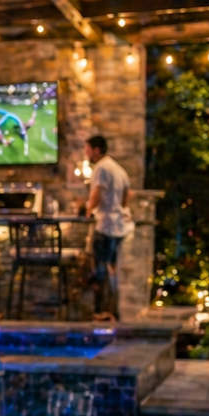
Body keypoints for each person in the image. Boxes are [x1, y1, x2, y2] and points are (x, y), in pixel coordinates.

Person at [81, 134, 132, 323]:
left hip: (105, 225)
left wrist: (88, 210)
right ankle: (113, 312)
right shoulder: (118, 168)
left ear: (96, 150)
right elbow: (127, 194)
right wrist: (121, 209)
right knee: (112, 270)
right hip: (119, 226)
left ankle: (102, 312)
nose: (86, 153)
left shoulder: (101, 168)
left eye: (87, 149)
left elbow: (97, 193)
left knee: (100, 270)